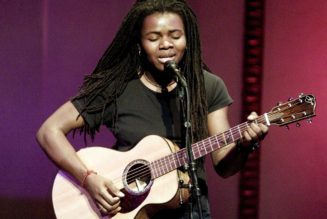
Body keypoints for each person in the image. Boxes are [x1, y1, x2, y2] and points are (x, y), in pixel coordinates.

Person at [36, 0, 268, 218]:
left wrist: (244, 145)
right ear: (139, 43)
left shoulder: (208, 86)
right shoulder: (117, 88)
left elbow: (224, 166)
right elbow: (49, 131)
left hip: (191, 211)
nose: (166, 44)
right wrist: (89, 180)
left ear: (188, 40)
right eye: (153, 37)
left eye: (175, 36)